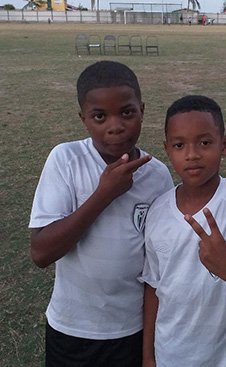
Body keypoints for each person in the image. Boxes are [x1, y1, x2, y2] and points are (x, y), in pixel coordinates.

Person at [29, 61, 174, 367]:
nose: (115, 126)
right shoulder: (66, 160)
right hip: (73, 330)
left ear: (142, 110)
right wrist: (104, 193)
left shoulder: (158, 174)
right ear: (83, 119)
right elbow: (41, 252)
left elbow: (159, 260)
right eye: (99, 116)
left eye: (126, 112)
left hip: (131, 330)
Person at [141, 95, 226, 367]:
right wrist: (148, 356)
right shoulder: (157, 211)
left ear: (224, 144)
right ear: (167, 149)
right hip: (169, 356)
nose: (192, 154)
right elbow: (154, 287)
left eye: (204, 143)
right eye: (179, 145)